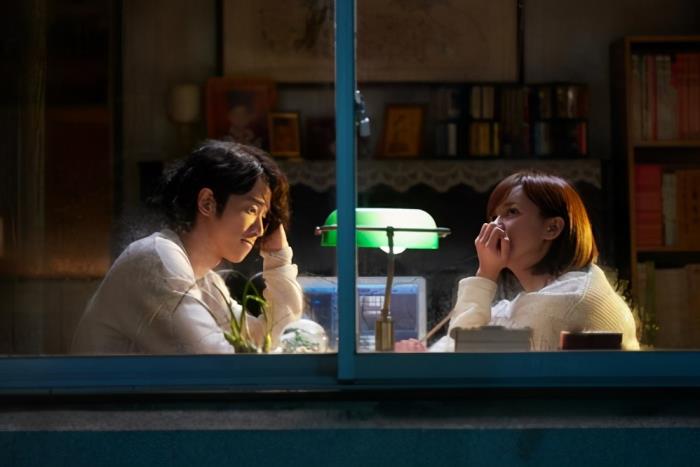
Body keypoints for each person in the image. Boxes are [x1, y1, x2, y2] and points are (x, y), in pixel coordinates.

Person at [71, 140, 303, 354]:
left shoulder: (206, 281)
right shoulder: (157, 260)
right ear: (207, 203)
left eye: (264, 217)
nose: (260, 230)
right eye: (252, 210)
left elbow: (268, 340)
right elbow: (217, 363)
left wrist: (278, 258)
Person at [396, 170, 640, 352]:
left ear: (552, 228)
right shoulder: (536, 299)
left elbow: (464, 364)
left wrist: (486, 273)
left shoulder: (566, 301)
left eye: (511, 212)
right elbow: (453, 347)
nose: (495, 225)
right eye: (493, 216)